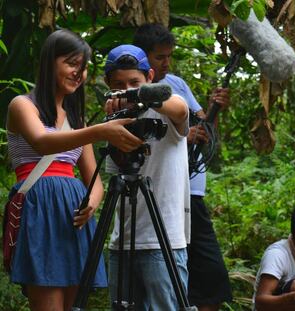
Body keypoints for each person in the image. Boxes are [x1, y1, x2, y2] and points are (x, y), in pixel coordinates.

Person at [5, 29, 142, 311]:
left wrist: (91, 203)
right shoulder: (22, 105)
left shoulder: (75, 119)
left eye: (83, 68)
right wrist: (100, 130)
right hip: (40, 213)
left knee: (75, 306)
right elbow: (43, 142)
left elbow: (94, 180)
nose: (78, 73)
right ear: (49, 63)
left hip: (73, 218)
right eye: (71, 63)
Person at [133, 23, 233, 311]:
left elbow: (203, 128)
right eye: (159, 57)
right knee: (168, 276)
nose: (166, 63)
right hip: (164, 194)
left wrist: (214, 110)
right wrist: (182, 134)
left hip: (193, 194)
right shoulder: (130, 89)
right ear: (143, 57)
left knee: (210, 276)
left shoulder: (177, 84)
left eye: (169, 56)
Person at [103, 44, 190, 310]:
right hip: (123, 240)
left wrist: (143, 97)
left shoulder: (167, 105)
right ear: (109, 85)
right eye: (119, 84)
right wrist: (113, 121)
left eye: (134, 82)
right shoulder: (115, 118)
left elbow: (181, 109)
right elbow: (116, 171)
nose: (127, 89)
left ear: (150, 77)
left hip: (163, 240)